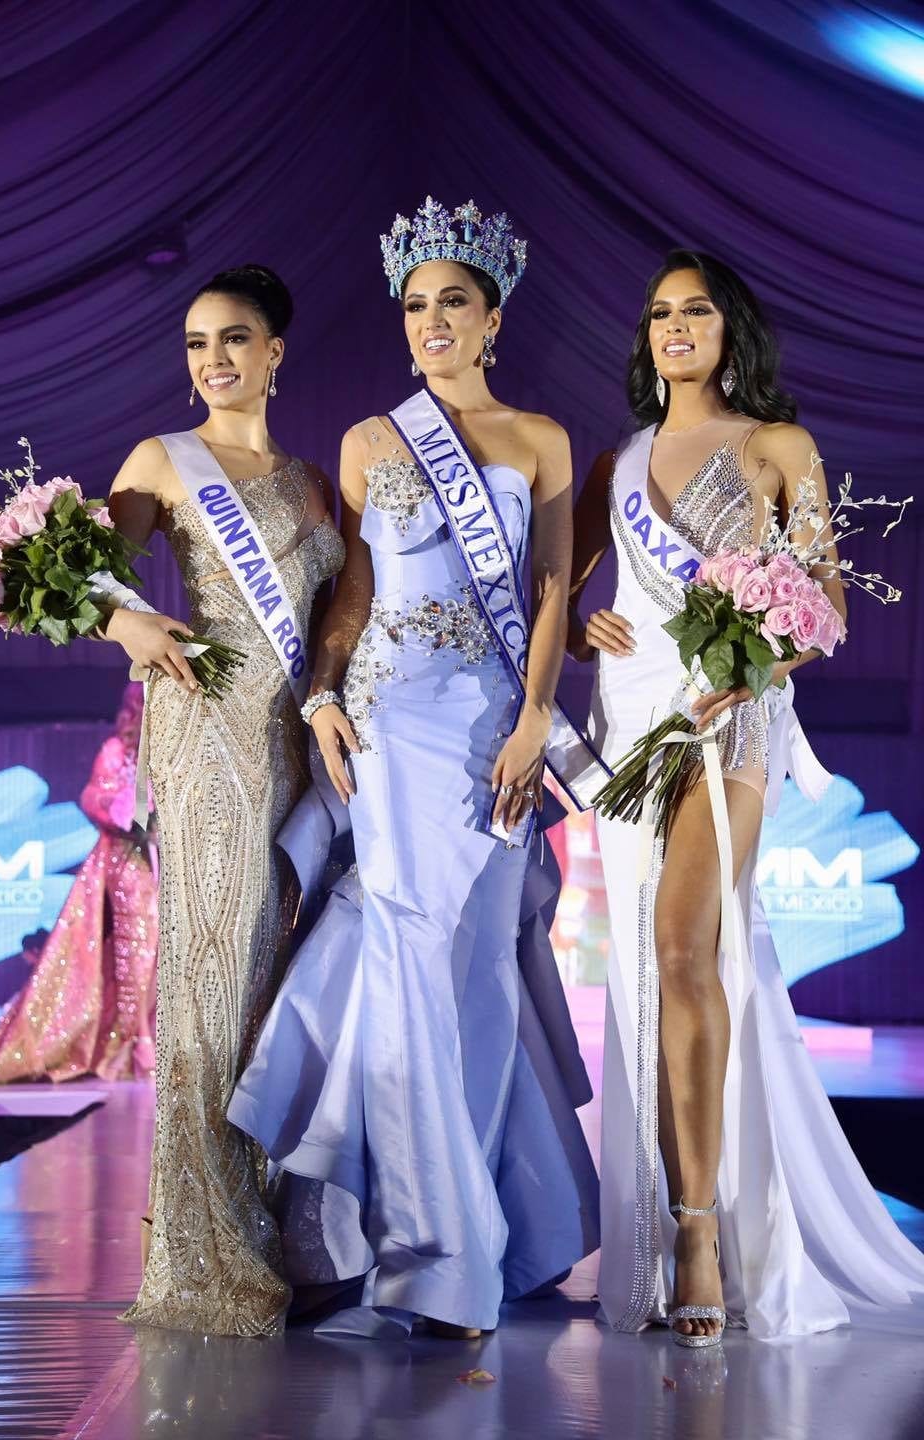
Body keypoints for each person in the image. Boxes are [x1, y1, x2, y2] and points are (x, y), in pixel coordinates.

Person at [230, 199, 601, 1340]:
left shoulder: (541, 438)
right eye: (415, 305)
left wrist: (535, 720)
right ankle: (434, 1258)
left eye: (453, 303)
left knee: (480, 971)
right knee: (401, 960)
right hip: (391, 725)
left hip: (495, 727)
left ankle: (481, 1227)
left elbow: (551, 593)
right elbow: (353, 591)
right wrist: (323, 695)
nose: (431, 321)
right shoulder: (368, 440)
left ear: (493, 319)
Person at [569, 249, 924, 1345]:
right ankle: (666, 1209)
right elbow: (558, 596)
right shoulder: (617, 461)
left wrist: (752, 661)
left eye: (697, 311)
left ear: (732, 331)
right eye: (659, 313)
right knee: (652, 967)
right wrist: (582, 624)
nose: (675, 327)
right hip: (633, 719)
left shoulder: (779, 447)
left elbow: (827, 605)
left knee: (686, 946)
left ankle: (700, 1232)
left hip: (737, 719)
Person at [103, 264, 345, 1335]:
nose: (214, 360)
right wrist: (128, 623)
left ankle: (264, 1222)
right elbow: (84, 579)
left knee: (270, 995)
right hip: (206, 741)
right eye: (198, 343)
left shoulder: (312, 482)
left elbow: (341, 622)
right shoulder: (164, 459)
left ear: (274, 352)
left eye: (234, 339)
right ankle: (204, 1251)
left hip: (295, 749)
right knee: (207, 986)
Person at [0, 682, 157, 1085]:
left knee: (156, 954)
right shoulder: (117, 751)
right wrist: (124, 812)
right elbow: (94, 797)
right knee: (137, 952)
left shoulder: (168, 751)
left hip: (161, 861)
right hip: (126, 862)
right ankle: (134, 1045)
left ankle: (151, 1039)